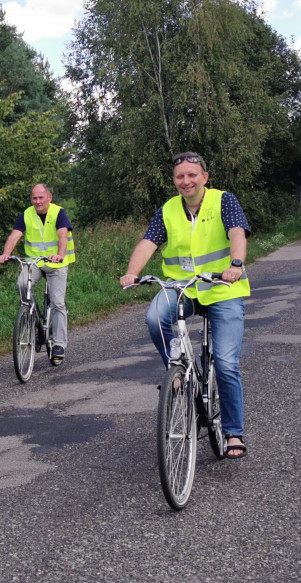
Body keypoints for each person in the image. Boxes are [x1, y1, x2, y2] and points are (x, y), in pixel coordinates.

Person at [119, 152, 250, 459]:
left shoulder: (223, 201)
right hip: (182, 287)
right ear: (174, 180)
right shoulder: (167, 210)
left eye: (192, 175)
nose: (186, 181)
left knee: (227, 362)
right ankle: (176, 372)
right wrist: (132, 272)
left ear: (205, 177)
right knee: (154, 318)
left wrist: (236, 263)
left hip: (222, 287)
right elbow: (148, 241)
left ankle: (233, 432)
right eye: (180, 176)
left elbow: (237, 233)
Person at [0, 184, 75, 365]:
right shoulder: (26, 214)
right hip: (34, 262)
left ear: (49, 197)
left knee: (57, 302)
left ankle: (59, 345)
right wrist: (6, 253)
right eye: (34, 198)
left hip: (56, 263)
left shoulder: (59, 213)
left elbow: (63, 235)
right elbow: (15, 235)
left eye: (41, 198)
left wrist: (60, 255)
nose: (38, 202)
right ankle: (32, 319)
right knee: (22, 285)